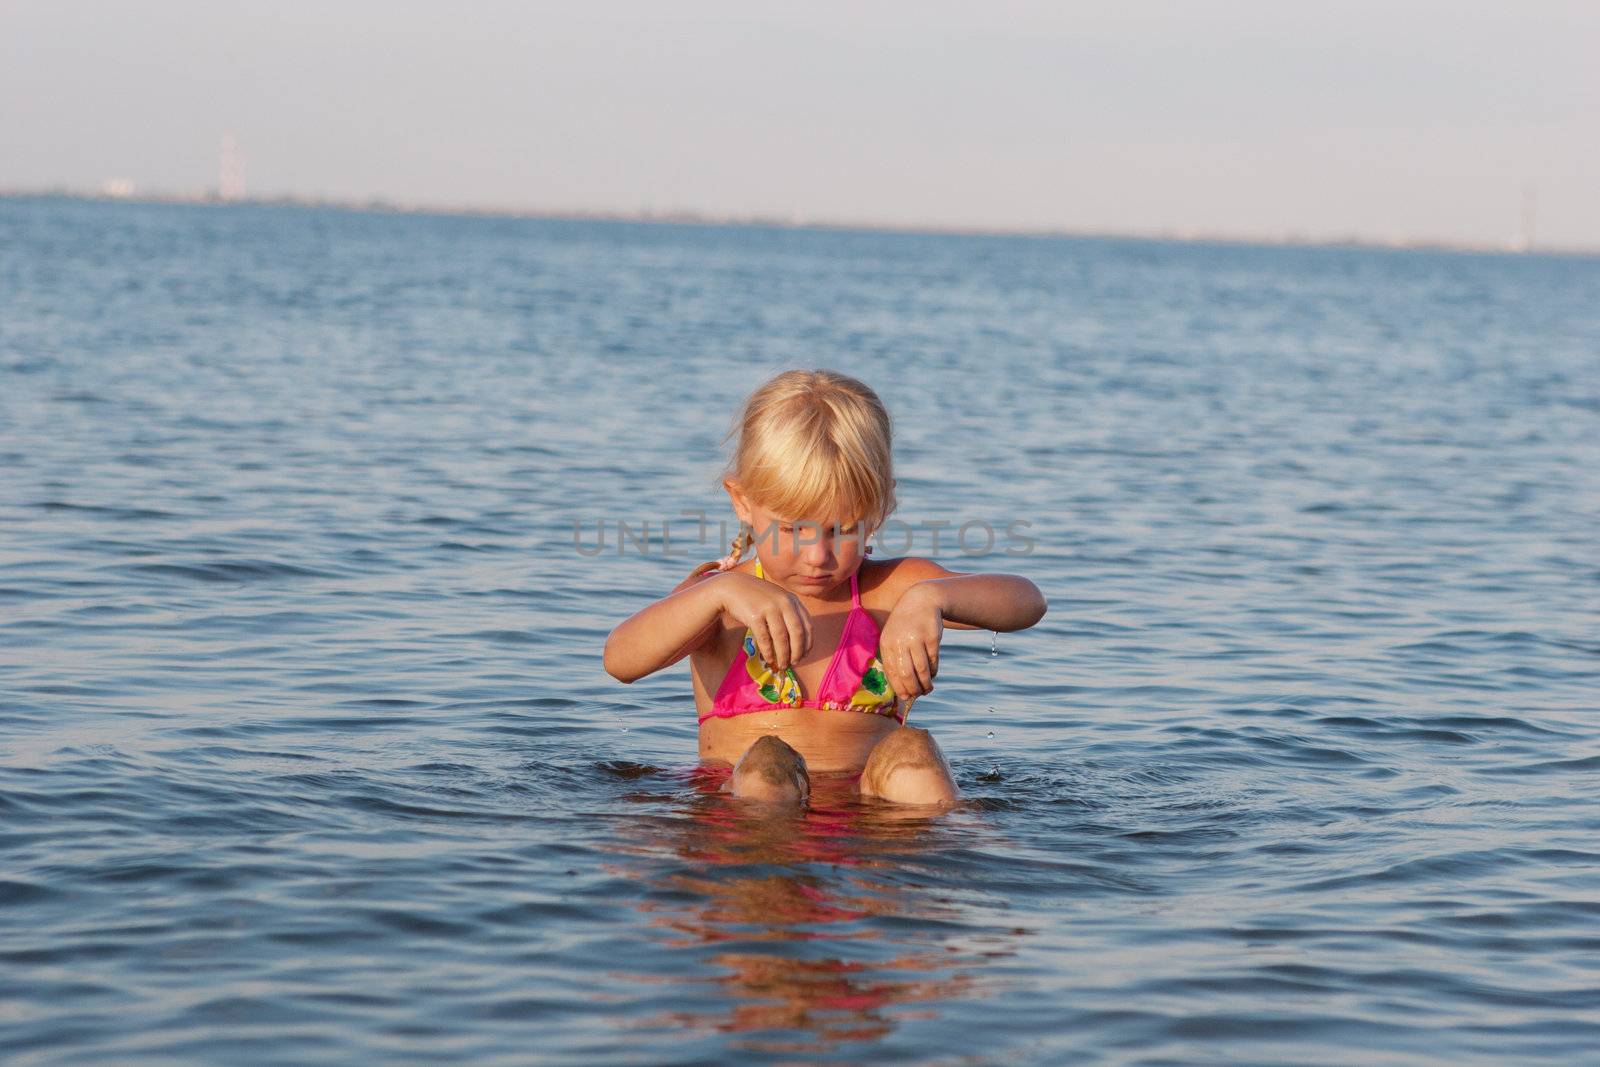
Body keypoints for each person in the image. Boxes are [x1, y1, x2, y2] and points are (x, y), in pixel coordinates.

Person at [603, 369, 1047, 807]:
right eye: (793, 529)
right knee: (767, 762)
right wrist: (716, 592)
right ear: (742, 501)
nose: (817, 556)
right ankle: (765, 870)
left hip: (871, 829)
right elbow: (621, 660)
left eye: (842, 530)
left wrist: (931, 597)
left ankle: (944, 863)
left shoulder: (892, 590)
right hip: (753, 822)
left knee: (911, 753)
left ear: (881, 507)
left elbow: (1028, 602)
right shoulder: (719, 603)